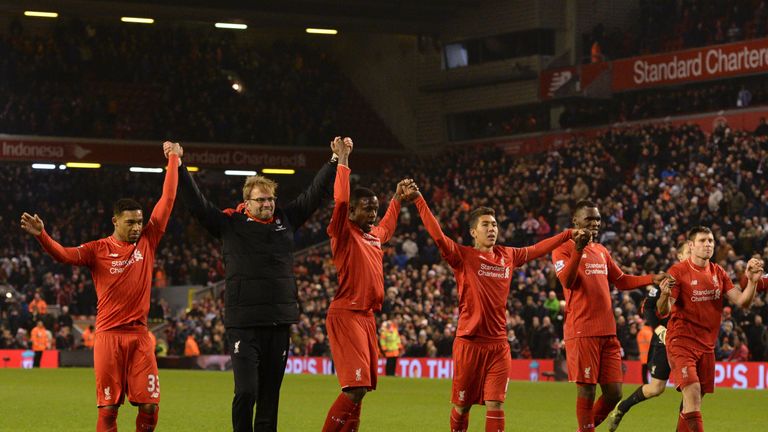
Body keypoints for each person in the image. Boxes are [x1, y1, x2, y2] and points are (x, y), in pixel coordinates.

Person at [177, 136, 338, 432]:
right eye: (260, 199)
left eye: (270, 199)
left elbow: (314, 194)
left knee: (269, 397)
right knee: (247, 391)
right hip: (244, 323)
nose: (267, 204)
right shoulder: (229, 223)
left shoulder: (285, 219)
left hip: (279, 321)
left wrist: (334, 161)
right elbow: (198, 206)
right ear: (246, 201)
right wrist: (178, 166)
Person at [20, 141, 181, 432]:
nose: (136, 227)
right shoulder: (97, 249)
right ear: (115, 221)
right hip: (107, 337)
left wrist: (173, 160)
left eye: (140, 222)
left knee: (151, 406)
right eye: (130, 222)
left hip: (140, 337)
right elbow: (64, 254)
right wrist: (42, 235)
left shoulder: (148, 240)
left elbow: (167, 200)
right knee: (108, 409)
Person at [403, 181, 587, 432]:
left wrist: (567, 234)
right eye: (486, 225)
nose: (492, 229)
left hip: (499, 344)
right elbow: (437, 234)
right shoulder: (462, 256)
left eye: (495, 225)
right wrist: (418, 200)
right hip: (469, 342)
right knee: (462, 406)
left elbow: (537, 249)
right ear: (473, 232)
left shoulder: (507, 255)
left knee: (496, 404)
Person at [551, 200, 668, 432]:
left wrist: (650, 278)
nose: (595, 223)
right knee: (586, 389)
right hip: (582, 330)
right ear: (576, 221)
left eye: (597, 219)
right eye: (589, 219)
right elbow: (567, 281)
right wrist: (578, 249)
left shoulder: (601, 250)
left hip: (608, 331)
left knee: (614, 392)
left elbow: (621, 280)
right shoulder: (562, 248)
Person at [321, 137, 405, 432]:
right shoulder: (343, 232)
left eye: (375, 209)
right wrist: (343, 160)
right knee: (354, 389)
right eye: (367, 209)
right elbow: (341, 200)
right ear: (353, 212)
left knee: (362, 391)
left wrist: (395, 200)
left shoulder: (373, 236)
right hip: (347, 313)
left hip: (367, 316)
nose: (372, 214)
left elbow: (387, 228)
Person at [657, 226, 763, 432]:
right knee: (693, 392)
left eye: (711, 241)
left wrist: (751, 282)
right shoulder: (678, 272)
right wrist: (663, 295)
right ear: (691, 245)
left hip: (706, 346)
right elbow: (664, 310)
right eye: (703, 240)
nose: (708, 244)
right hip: (681, 342)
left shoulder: (718, 272)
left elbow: (742, 302)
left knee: (692, 404)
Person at [606, 242, 690, 431]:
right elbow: (647, 307)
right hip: (665, 340)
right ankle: (622, 407)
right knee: (656, 388)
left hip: (689, 341)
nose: (692, 255)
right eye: (688, 252)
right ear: (679, 256)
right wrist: (658, 329)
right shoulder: (669, 279)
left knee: (691, 389)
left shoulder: (701, 278)